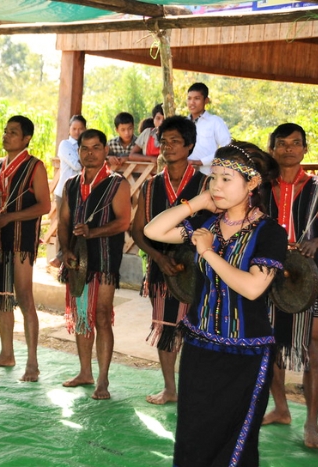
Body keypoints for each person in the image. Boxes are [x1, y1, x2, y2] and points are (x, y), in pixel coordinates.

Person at [144, 142, 286, 466]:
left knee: (234, 446)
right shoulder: (207, 223)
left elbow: (252, 287)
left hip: (246, 354)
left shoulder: (270, 233)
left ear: (252, 184)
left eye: (226, 179)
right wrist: (197, 202)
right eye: (213, 177)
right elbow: (153, 229)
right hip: (199, 349)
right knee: (193, 438)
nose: (216, 185)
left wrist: (208, 252)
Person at [131, 116, 207, 405]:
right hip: (161, 268)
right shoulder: (151, 186)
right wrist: (158, 258)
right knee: (165, 327)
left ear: (189, 145)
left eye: (176, 141)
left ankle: (193, 388)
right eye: (164, 141)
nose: (169, 146)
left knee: (196, 329)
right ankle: (170, 389)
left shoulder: (206, 185)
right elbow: (137, 231)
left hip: (198, 270)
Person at [0, 115, 51, 382]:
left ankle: (32, 363)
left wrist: (9, 218)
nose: (6, 136)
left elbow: (44, 206)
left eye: (13, 132)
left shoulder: (35, 167)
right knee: (1, 296)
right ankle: (6, 353)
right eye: (5, 131)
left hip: (21, 241)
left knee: (24, 297)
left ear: (26, 138)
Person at [58, 129, 131, 399]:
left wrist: (92, 232)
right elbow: (64, 221)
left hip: (105, 261)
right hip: (77, 262)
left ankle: (102, 380)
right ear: (78, 152)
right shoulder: (71, 184)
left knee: (101, 316)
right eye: (85, 148)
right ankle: (84, 372)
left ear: (105, 151)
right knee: (81, 316)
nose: (90, 153)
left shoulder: (117, 183)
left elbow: (123, 222)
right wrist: (65, 249)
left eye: (96, 147)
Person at [262, 123, 318, 449]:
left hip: (311, 279)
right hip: (268, 277)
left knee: (313, 347)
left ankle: (313, 420)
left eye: (295, 143)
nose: (288, 149)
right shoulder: (259, 190)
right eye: (281, 144)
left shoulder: (316, 188)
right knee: (270, 344)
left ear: (305, 150)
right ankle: (281, 408)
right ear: (272, 150)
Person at [51, 114, 87, 268]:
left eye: (80, 129)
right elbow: (77, 165)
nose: (77, 132)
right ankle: (60, 256)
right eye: (74, 128)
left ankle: (69, 257)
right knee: (64, 224)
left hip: (82, 192)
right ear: (69, 129)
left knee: (77, 224)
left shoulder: (86, 144)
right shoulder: (65, 145)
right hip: (64, 191)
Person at [186, 82, 232, 174]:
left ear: (206, 100)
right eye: (189, 98)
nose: (192, 102)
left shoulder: (215, 122)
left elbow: (227, 148)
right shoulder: (183, 123)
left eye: (197, 98)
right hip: (184, 174)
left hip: (208, 175)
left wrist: (201, 162)